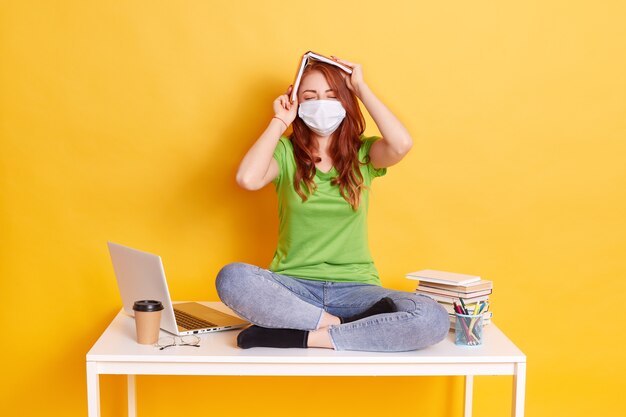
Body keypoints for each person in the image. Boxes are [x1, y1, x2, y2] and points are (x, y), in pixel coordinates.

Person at [215, 55, 449, 352]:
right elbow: (248, 179)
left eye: (331, 95)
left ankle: (301, 337)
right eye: (309, 96)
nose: (321, 103)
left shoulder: (363, 154)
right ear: (296, 102)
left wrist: (361, 89)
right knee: (232, 278)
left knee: (431, 317)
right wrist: (279, 121)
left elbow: (401, 144)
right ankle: (339, 325)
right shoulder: (285, 153)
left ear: (346, 102)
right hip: (293, 288)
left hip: (357, 289)